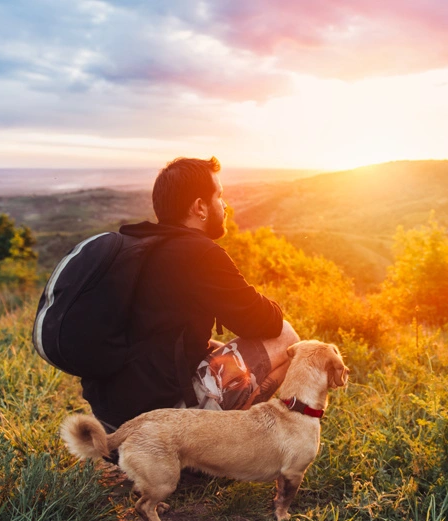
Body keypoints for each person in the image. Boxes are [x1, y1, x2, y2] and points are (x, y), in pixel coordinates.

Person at [79, 156, 299, 434]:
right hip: (158, 430)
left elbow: (164, 336)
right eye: (219, 196)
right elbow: (268, 323)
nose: (225, 205)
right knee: (287, 339)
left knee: (215, 347)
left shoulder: (141, 245)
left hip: (111, 423)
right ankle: (215, 452)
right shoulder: (199, 253)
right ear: (199, 207)